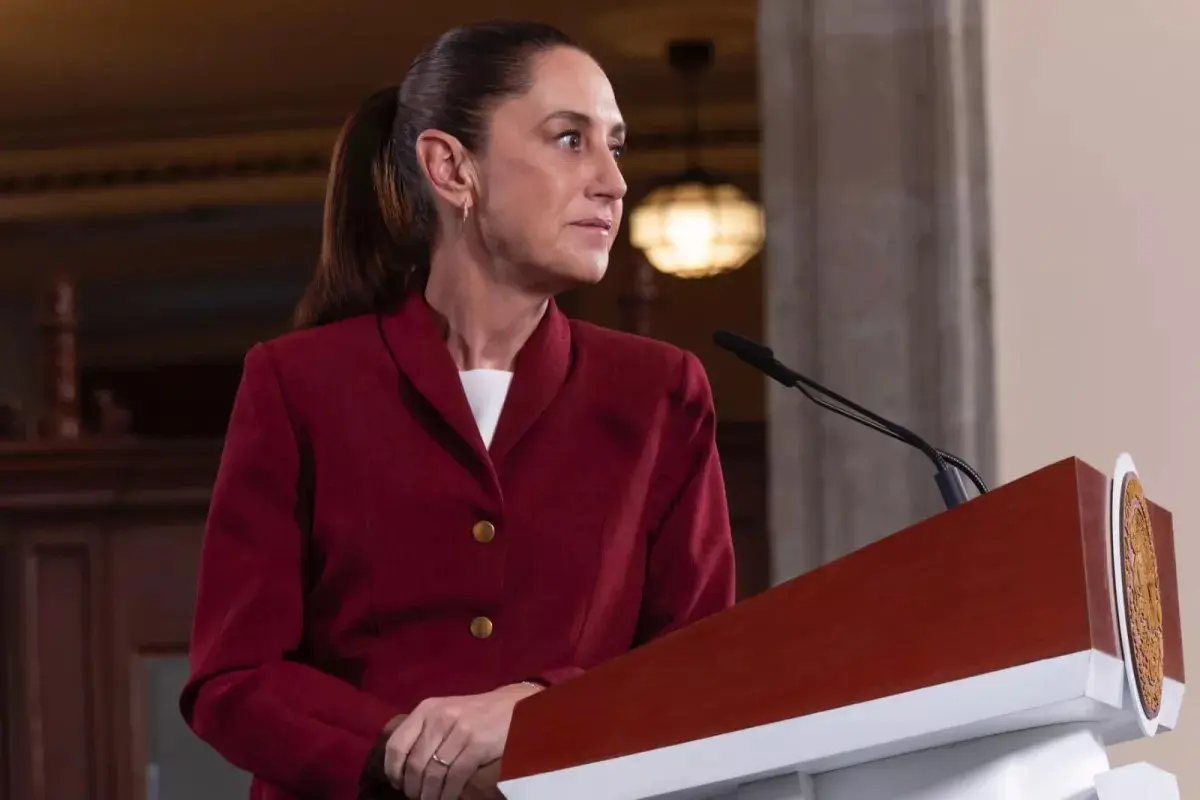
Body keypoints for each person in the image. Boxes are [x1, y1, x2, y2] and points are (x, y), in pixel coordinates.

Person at [180, 19, 736, 800]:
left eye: (617, 144)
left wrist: (541, 711)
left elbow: (697, 659)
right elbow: (231, 680)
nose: (612, 181)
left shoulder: (659, 391)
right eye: (569, 140)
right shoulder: (298, 382)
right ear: (450, 167)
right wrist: (407, 748)